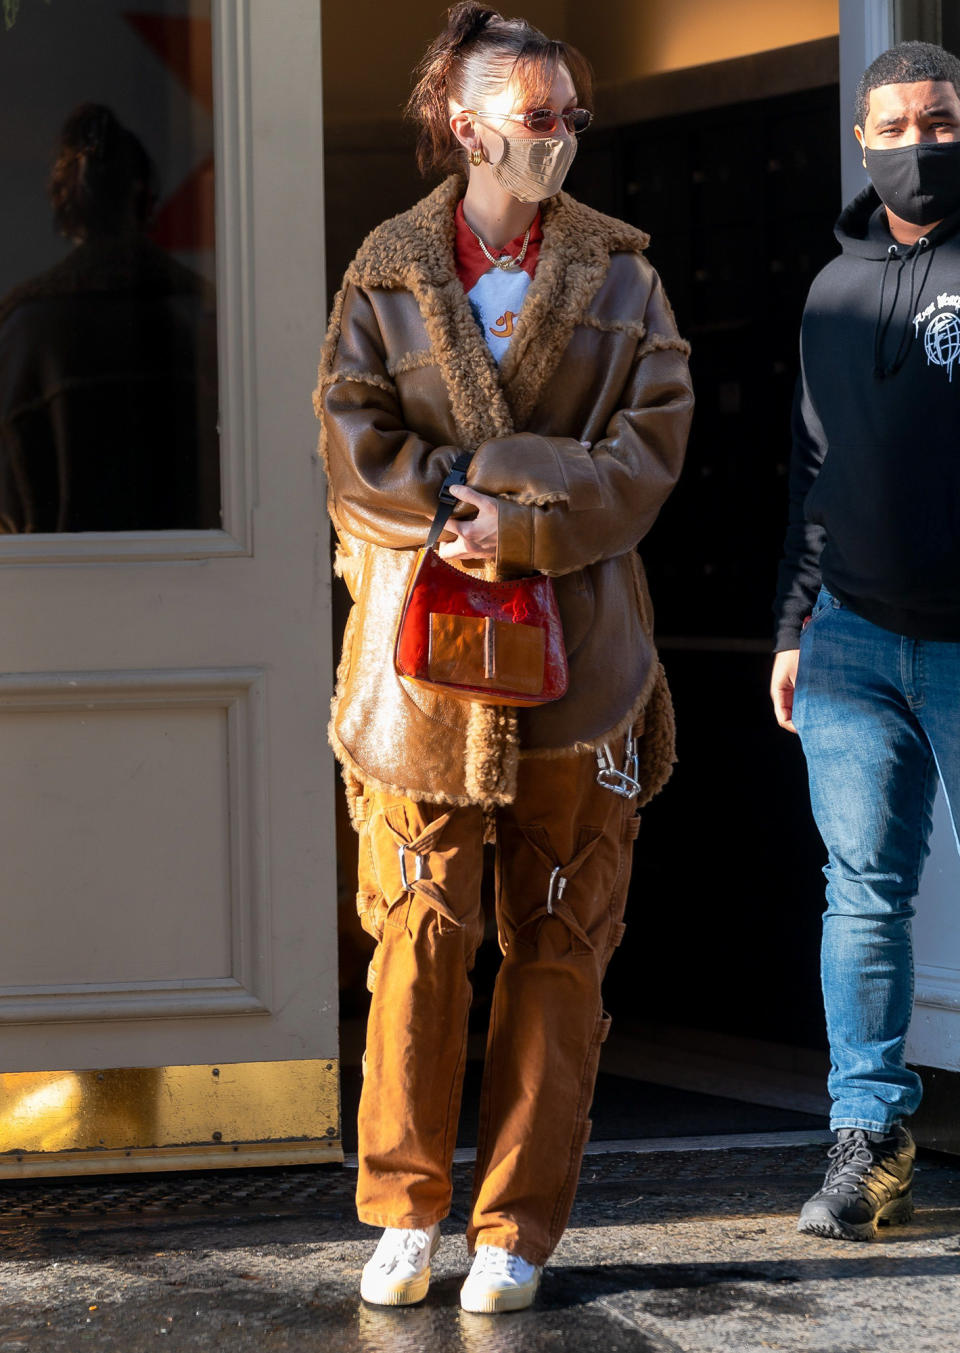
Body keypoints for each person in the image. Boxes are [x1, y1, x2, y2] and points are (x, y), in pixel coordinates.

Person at [316, 3, 692, 1312]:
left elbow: (651, 451)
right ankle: (406, 1210)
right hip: (421, 671)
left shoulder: (626, 279)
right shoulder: (385, 267)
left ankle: (519, 1228)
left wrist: (516, 517)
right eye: (541, 118)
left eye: (575, 119)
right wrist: (443, 508)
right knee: (417, 941)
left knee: (560, 941)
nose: (564, 140)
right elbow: (347, 440)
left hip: (581, 666)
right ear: (467, 124)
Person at [772, 40, 960, 1242]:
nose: (919, 146)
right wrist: (795, 624)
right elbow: (813, 468)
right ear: (860, 138)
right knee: (863, 897)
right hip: (848, 635)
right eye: (895, 125)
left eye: (940, 123)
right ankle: (870, 1143)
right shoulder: (830, 289)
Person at [0, 102, 218, 532]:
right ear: (144, 197)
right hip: (195, 579)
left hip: (55, 586)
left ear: (63, 202)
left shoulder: (23, 330)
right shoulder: (200, 315)